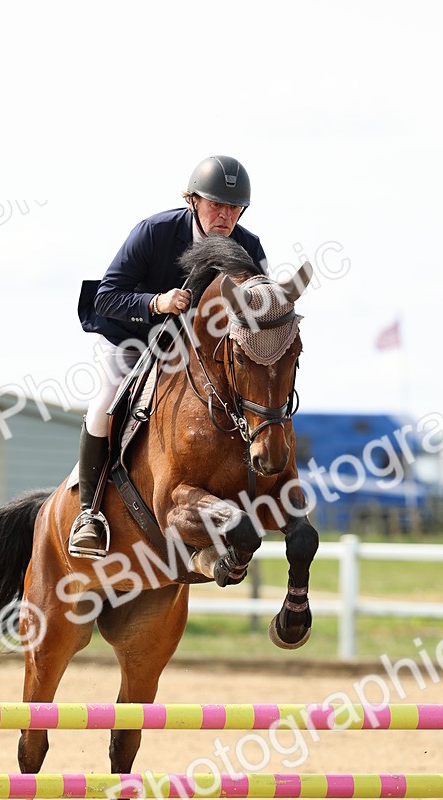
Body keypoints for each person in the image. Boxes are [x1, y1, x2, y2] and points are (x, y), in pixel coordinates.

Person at [72, 155, 267, 557]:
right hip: (134, 340)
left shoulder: (249, 248)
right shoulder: (154, 232)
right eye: (216, 204)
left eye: (234, 208)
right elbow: (107, 295)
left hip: (195, 355)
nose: (225, 215)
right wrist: (157, 302)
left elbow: (257, 314)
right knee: (104, 406)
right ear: (193, 201)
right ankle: (88, 514)